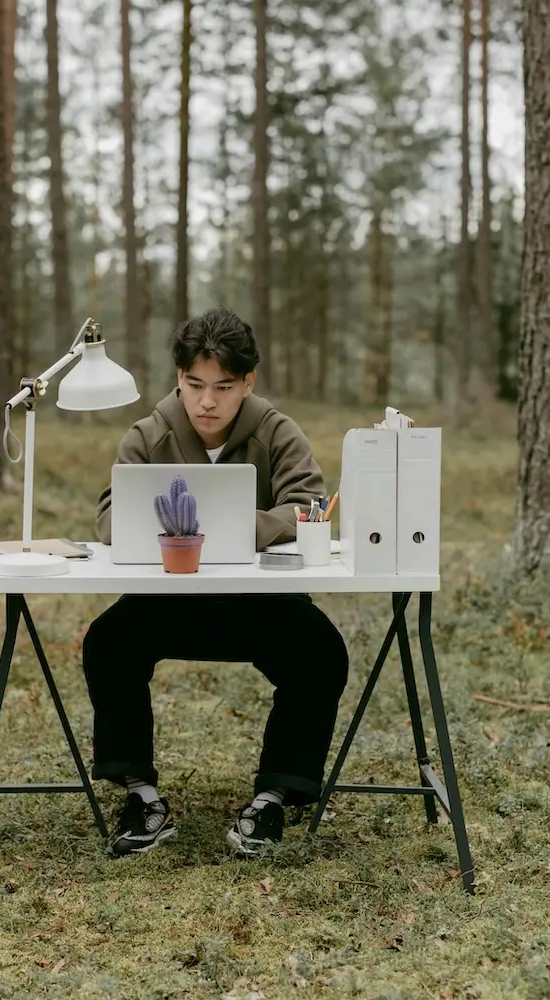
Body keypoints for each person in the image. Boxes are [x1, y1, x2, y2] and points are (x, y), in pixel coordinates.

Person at [82, 306, 350, 858]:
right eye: (195, 385)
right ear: (178, 377)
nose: (207, 402)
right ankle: (142, 796)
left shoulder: (277, 432)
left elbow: (311, 506)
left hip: (262, 604)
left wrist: (241, 529)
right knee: (109, 641)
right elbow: (110, 518)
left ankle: (273, 798)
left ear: (248, 381)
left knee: (321, 650)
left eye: (224, 387)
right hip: (165, 601)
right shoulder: (147, 434)